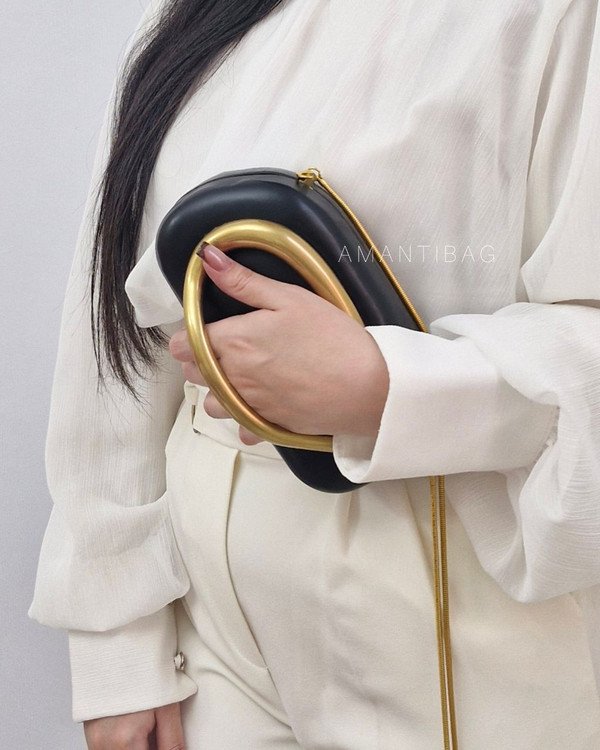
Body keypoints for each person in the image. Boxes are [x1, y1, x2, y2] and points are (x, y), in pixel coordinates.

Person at [29, 0, 600, 748]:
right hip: (208, 607)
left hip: (447, 563)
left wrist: (389, 385)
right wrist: (117, 640)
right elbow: (113, 316)